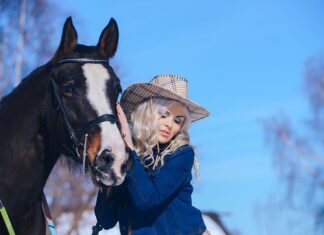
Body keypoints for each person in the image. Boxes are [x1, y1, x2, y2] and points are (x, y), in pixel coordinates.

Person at [94, 74, 210, 235]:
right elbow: (105, 220)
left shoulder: (182, 154)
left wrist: (129, 148)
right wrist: (109, 172)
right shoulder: (128, 156)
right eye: (164, 115)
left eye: (178, 120)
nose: (170, 125)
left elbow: (147, 199)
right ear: (147, 113)